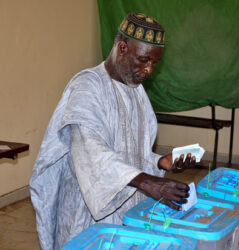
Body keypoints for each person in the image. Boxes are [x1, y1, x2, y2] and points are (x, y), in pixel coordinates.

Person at [30, 13, 196, 250]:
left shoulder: (135, 90)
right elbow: (92, 153)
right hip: (88, 213)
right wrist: (149, 183)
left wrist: (161, 163)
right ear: (122, 47)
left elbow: (130, 152)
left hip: (127, 209)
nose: (149, 70)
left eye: (154, 63)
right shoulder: (87, 87)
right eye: (143, 59)